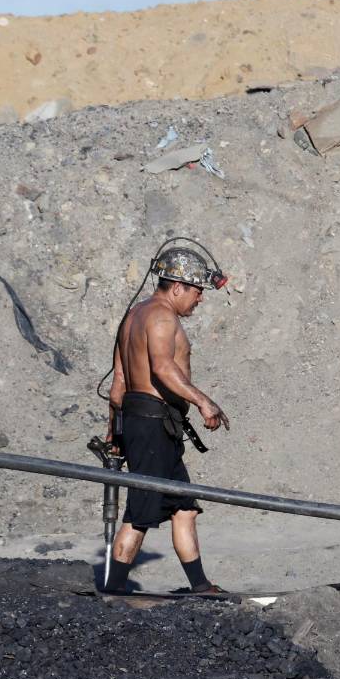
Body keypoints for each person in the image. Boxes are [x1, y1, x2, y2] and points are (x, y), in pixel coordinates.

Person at [105, 247, 230, 593]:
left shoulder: (134, 316)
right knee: (140, 514)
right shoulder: (161, 318)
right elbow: (162, 368)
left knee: (184, 508)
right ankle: (113, 590)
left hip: (144, 422)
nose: (199, 299)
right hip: (151, 425)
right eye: (196, 291)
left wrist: (115, 431)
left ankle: (200, 585)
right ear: (177, 287)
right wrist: (203, 402)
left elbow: (117, 385)